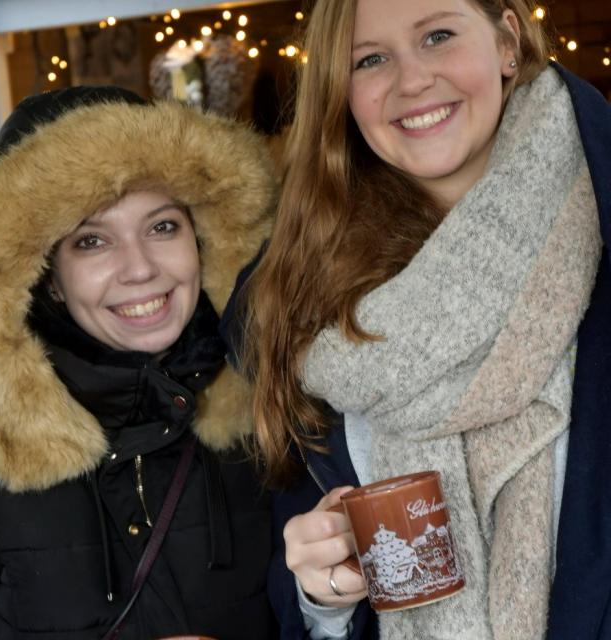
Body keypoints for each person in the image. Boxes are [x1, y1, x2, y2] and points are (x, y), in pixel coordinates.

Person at [227, 0, 611, 638]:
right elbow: (294, 582)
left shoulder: (600, 221)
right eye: (370, 59)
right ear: (341, 92)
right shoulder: (302, 302)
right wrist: (324, 601)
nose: (411, 81)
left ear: (507, 39)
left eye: (438, 35)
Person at [0, 86, 279, 639]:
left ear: (202, 240)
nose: (139, 269)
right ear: (50, 280)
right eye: (92, 241)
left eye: (163, 227)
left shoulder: (266, 408)